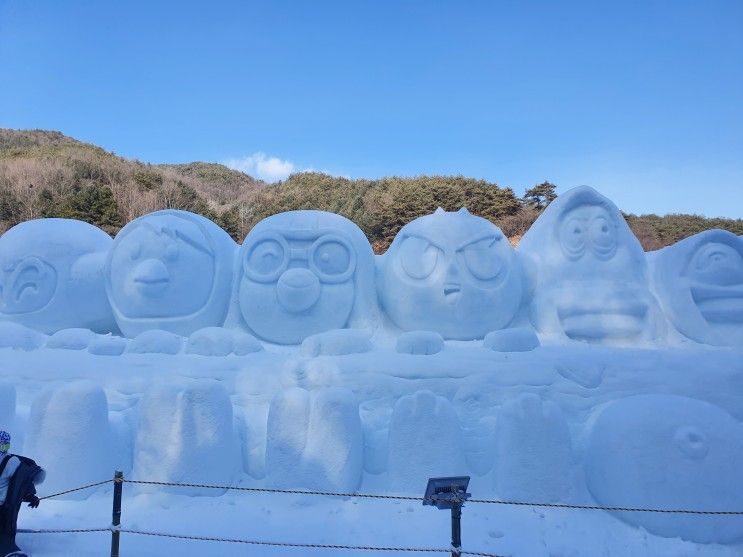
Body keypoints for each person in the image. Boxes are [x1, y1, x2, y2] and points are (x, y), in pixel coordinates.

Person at [0, 431, 45, 557]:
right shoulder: (12, 461)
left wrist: (30, 495)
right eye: (2, 445)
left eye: (5, 445)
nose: (3, 448)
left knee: (3, 532)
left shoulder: (11, 461)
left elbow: (22, 479)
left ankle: (11, 552)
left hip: (4, 506)